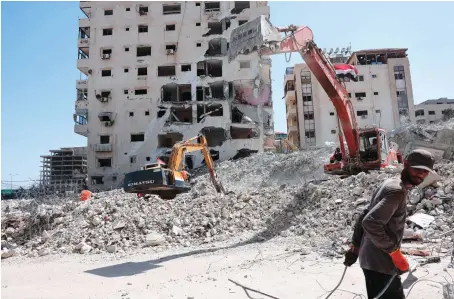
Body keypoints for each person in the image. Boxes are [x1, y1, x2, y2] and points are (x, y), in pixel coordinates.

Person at [343, 149, 434, 299]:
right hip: (380, 263)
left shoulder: (390, 183)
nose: (421, 174)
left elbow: (364, 214)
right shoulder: (396, 192)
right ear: (406, 164)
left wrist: (355, 247)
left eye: (425, 171)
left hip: (372, 260)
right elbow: (370, 222)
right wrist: (395, 253)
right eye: (417, 169)